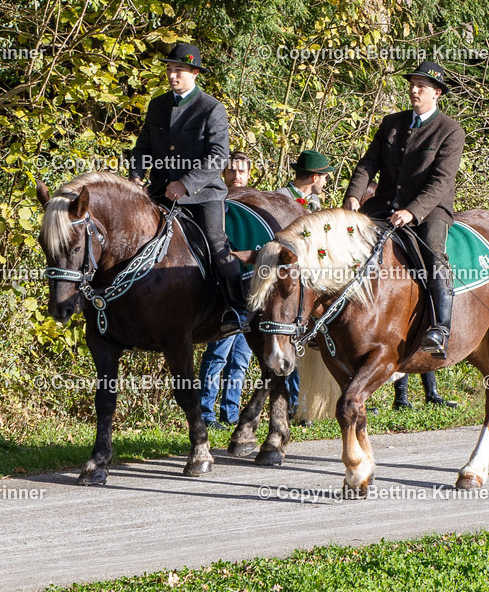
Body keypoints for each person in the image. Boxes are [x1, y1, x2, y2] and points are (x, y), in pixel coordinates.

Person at [343, 60, 465, 407]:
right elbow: (368, 164)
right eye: (412, 84)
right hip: (382, 205)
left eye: (421, 86)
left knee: (432, 255)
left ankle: (439, 328)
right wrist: (353, 195)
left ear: (437, 93)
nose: (414, 90)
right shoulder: (391, 123)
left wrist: (413, 211)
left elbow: (441, 181)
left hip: (429, 210)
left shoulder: (450, 130)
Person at [130, 43, 248, 335]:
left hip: (203, 194)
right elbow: (142, 147)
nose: (172, 76)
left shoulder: (211, 108)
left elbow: (218, 156)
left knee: (217, 244)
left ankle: (237, 306)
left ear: (195, 73)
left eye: (179, 70)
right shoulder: (157, 105)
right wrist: (135, 176)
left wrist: (186, 184)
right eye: (170, 70)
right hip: (159, 192)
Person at [273, 150, 336, 419]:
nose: (326, 181)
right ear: (314, 176)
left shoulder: (315, 202)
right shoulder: (279, 198)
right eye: (324, 176)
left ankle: (303, 405)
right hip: (285, 281)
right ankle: (285, 403)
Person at [197, 153, 255, 430]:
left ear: (249, 174)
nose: (236, 176)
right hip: (225, 295)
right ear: (223, 174)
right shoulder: (216, 204)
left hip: (251, 294)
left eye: (241, 171)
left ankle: (230, 414)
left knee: (240, 360)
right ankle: (205, 414)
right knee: (217, 355)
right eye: (231, 171)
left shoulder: (255, 209)